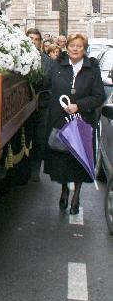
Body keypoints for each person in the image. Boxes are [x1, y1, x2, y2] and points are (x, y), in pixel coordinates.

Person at [44, 32, 104, 215]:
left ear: (84, 49)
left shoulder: (92, 69)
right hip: (61, 121)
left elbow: (99, 96)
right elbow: (47, 86)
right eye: (72, 45)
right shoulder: (57, 66)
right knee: (62, 160)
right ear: (66, 47)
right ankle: (63, 190)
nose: (75, 49)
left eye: (79, 46)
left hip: (82, 122)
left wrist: (79, 106)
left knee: (78, 161)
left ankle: (76, 195)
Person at [25, 27, 50, 181]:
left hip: (42, 105)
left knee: (40, 138)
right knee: (26, 137)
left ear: (40, 42)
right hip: (24, 107)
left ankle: (35, 168)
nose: (33, 42)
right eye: (30, 39)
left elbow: (49, 81)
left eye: (36, 39)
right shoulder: (18, 58)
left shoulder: (47, 61)